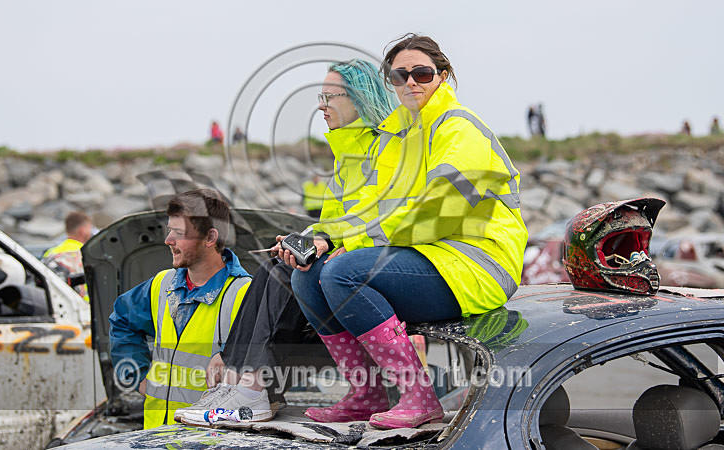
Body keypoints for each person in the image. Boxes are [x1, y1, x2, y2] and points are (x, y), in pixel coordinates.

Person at [281, 33, 528, 430]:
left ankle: (418, 396)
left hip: (478, 264)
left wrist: (356, 246)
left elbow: (438, 213)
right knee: (308, 274)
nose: (411, 82)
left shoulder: (459, 129)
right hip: (431, 257)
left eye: (422, 73)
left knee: (344, 272)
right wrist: (323, 238)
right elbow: (365, 210)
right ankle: (366, 393)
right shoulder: (396, 138)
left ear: (443, 76)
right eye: (400, 76)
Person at [188, 58, 398, 423]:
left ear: (360, 99)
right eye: (321, 95)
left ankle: (255, 388)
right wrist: (310, 240)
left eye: (331, 96)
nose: (321, 105)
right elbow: (332, 223)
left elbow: (394, 218)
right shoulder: (348, 157)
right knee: (276, 261)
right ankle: (237, 375)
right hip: (354, 254)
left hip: (382, 262)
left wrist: (342, 246)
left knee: (292, 272)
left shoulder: (388, 149)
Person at [108, 189, 252, 429]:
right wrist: (138, 377)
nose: (168, 241)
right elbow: (122, 319)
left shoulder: (244, 293)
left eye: (178, 233)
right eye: (169, 231)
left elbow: (267, 361)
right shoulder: (162, 284)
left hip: (212, 440)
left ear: (210, 238)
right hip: (155, 436)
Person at [42, 211, 93, 301]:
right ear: (82, 230)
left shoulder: (50, 253)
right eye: (89, 228)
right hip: (83, 307)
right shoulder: (88, 254)